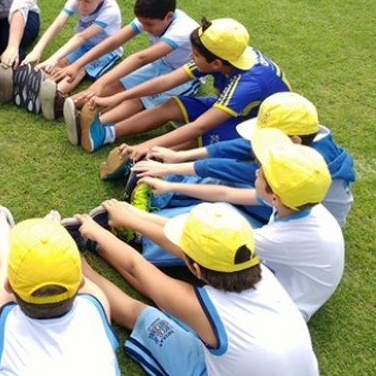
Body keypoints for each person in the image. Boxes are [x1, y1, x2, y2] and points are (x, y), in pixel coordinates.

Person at [75, 202, 319, 375]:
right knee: (165, 294)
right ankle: (100, 247)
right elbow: (179, 257)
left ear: (196, 268)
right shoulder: (260, 270)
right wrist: (132, 219)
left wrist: (96, 231)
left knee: (145, 314)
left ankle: (79, 270)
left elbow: (137, 266)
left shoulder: (211, 311)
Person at [136, 128, 344, 321]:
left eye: (262, 172)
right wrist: (168, 186)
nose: (256, 172)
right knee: (224, 212)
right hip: (276, 278)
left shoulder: (282, 238)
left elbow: (198, 236)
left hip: (275, 313)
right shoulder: (295, 199)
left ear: (275, 197)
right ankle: (141, 229)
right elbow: (226, 193)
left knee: (210, 243)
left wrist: (134, 219)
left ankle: (138, 240)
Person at [133, 91, 355, 225]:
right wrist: (177, 156)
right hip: (285, 205)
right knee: (221, 185)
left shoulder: (301, 166)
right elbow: (243, 147)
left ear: (295, 141)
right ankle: (159, 191)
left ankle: (146, 223)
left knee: (222, 210)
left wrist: (169, 169)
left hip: (291, 220)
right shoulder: (305, 136)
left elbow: (234, 171)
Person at [80, 17, 291, 154]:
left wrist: (144, 146)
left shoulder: (245, 84)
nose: (191, 56)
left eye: (196, 55)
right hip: (238, 108)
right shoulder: (226, 52)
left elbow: (199, 126)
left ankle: (143, 161)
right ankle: (105, 134)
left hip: (258, 127)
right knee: (171, 105)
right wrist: (116, 98)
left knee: (201, 136)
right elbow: (166, 81)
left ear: (216, 64)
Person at [0, 209, 119, 375]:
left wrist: (1, 234)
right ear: (79, 283)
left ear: (9, 285)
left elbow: (3, 273)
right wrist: (54, 244)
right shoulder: (97, 305)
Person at [54, 0, 200, 144]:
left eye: (149, 25)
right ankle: (62, 105)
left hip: (186, 75)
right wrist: (76, 65)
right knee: (117, 84)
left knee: (138, 98)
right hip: (162, 63)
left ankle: (91, 125)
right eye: (141, 23)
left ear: (169, 17)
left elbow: (141, 58)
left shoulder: (181, 30)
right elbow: (115, 40)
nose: (144, 28)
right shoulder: (152, 16)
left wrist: (101, 82)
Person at [19, 0, 122, 120]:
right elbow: (58, 24)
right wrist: (37, 50)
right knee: (62, 62)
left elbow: (83, 36)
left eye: (87, 1)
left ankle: (54, 97)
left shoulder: (110, 10)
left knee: (78, 69)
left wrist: (51, 57)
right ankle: (35, 85)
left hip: (105, 49)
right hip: (83, 44)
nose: (81, 5)